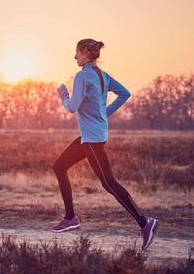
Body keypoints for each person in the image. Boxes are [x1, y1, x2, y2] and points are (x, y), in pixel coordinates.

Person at [52, 38, 158, 250]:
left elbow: (72, 107)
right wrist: (104, 113)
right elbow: (124, 94)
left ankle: (145, 222)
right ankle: (70, 218)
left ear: (85, 53)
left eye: (77, 52)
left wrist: (63, 95)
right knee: (59, 167)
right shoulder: (103, 75)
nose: (75, 57)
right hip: (92, 136)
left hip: (91, 139)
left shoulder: (82, 76)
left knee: (108, 183)